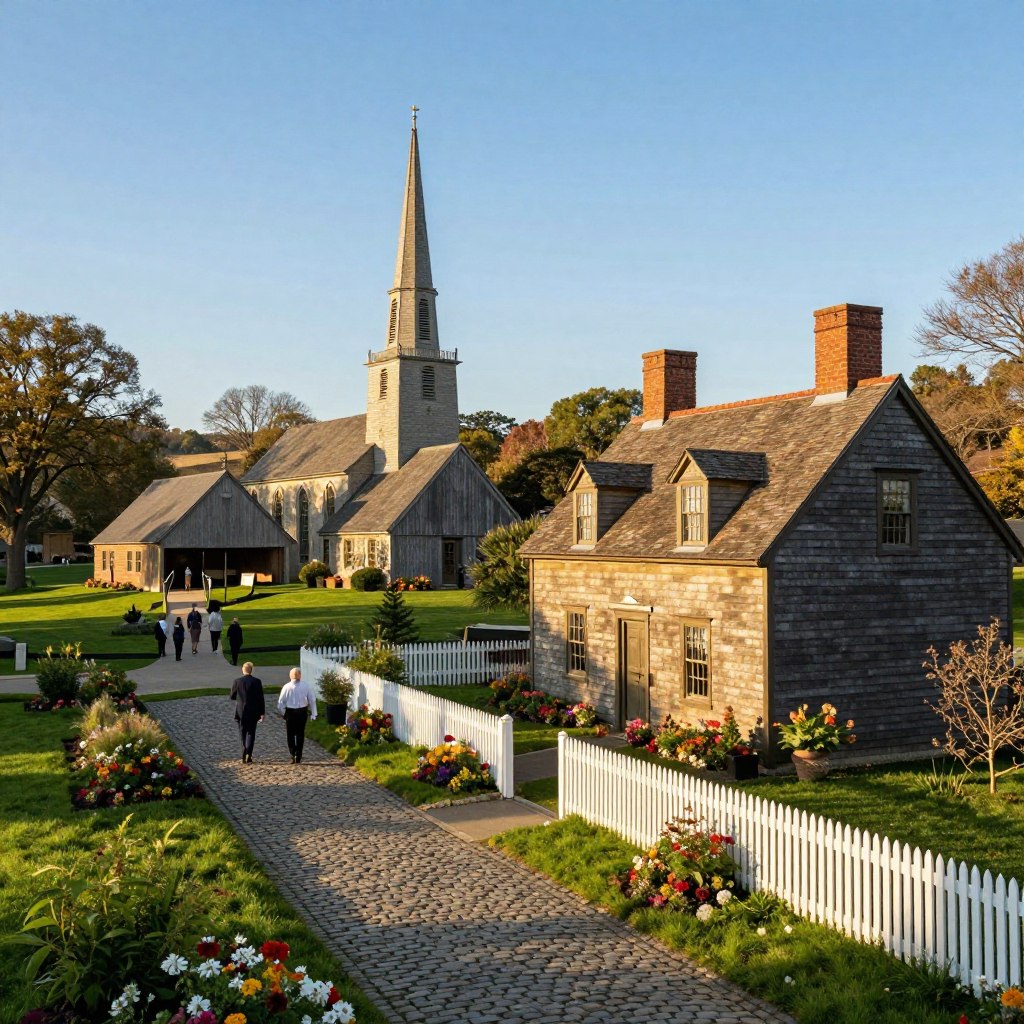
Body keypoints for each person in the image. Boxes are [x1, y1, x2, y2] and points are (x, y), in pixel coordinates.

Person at [277, 667, 317, 764]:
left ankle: (293, 753)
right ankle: (298, 755)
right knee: (300, 733)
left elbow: (280, 703)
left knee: (290, 734)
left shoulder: (286, 687)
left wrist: (283, 713)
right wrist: (313, 713)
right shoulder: (306, 686)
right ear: (300, 675)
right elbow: (312, 700)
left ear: (290, 676)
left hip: (290, 712)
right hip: (302, 712)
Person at [230, 662, 265, 763]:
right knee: (251, 733)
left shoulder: (237, 681)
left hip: (241, 711)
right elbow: (260, 698)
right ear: (251, 670)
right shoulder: (257, 682)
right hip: (254, 711)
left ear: (243, 670)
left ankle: (244, 751)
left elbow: (232, 696)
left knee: (243, 732)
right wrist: (262, 712)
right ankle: (249, 753)